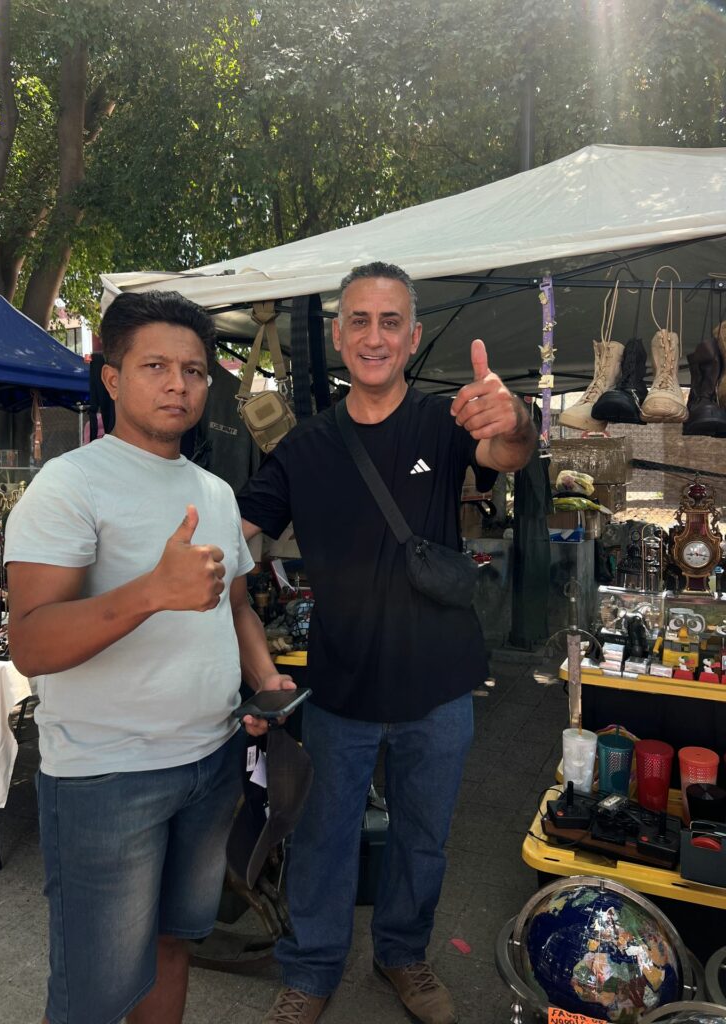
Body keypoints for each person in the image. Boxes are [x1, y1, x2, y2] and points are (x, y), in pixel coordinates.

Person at [238, 262, 537, 1024]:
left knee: (424, 840)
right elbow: (238, 537)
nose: (375, 336)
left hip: (438, 687)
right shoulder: (303, 449)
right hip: (340, 689)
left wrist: (515, 421)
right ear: (339, 337)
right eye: (360, 321)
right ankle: (310, 971)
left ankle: (403, 957)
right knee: (322, 840)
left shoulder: (445, 423)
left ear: (411, 338)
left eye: (391, 321)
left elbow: (508, 455)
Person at [4, 290, 293, 1024]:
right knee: (94, 994)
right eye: (156, 366)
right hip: (105, 778)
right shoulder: (67, 486)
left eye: (194, 370)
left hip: (209, 763)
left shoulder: (217, 494)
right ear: (112, 377)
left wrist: (264, 680)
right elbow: (30, 644)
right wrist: (150, 592)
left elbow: (234, 607)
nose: (178, 384)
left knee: (175, 944)